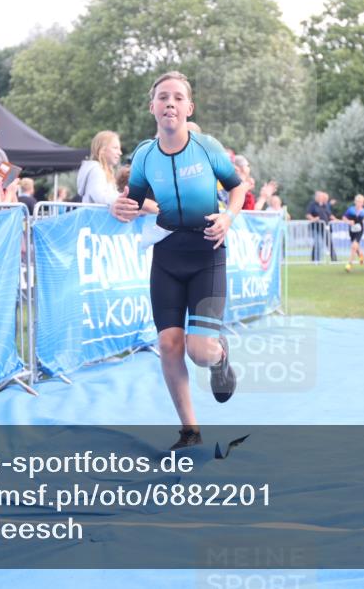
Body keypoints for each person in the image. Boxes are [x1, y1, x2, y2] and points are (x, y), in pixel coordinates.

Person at [111, 71, 248, 450]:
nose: (169, 103)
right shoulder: (143, 155)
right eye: (162, 97)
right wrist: (119, 206)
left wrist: (228, 217)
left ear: (189, 107)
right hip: (167, 258)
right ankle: (190, 430)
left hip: (207, 255)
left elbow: (238, 188)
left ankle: (218, 357)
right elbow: (133, 202)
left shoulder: (206, 148)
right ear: (152, 107)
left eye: (177, 98)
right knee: (169, 345)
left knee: (198, 351)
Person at [78, 131, 123, 205]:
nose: (120, 153)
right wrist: (124, 199)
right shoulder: (96, 170)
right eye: (115, 148)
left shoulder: (102, 170)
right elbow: (100, 198)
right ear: (102, 149)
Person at [342, 194, 364, 272]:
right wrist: (349, 222)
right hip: (352, 230)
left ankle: (349, 264)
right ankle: (361, 256)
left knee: (354, 246)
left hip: (360, 230)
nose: (359, 203)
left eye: (361, 202)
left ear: (363, 203)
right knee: (355, 246)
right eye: (358, 201)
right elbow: (344, 218)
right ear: (355, 202)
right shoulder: (350, 210)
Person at [306, 191, 337, 262]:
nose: (321, 198)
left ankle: (334, 259)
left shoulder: (325, 205)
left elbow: (329, 214)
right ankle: (316, 260)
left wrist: (336, 219)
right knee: (317, 243)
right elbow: (308, 214)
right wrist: (313, 219)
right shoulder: (312, 204)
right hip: (315, 227)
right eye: (319, 197)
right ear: (316, 197)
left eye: (322, 197)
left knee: (329, 243)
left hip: (325, 227)